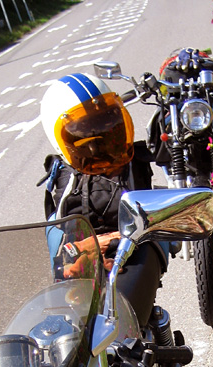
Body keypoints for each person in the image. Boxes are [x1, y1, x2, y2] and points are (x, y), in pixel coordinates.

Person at [40, 72, 167, 327]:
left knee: (126, 321)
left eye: (107, 128)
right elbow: (64, 259)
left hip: (135, 244)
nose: (102, 146)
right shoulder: (65, 186)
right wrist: (81, 252)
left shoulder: (135, 162)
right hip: (92, 258)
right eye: (85, 137)